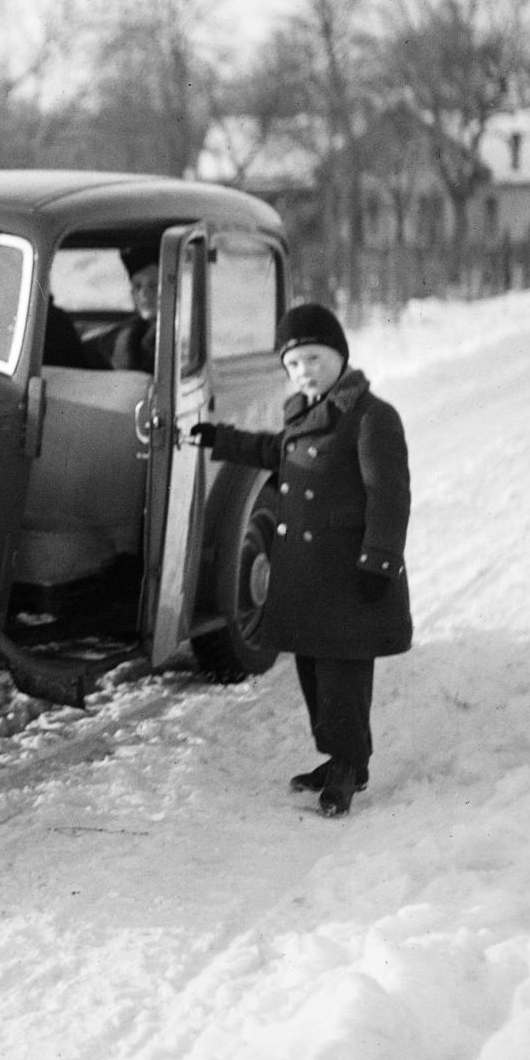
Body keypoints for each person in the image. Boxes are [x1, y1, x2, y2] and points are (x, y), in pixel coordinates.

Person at [194, 302, 412, 817]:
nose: (304, 371)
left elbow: (389, 495)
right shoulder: (303, 412)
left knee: (344, 674)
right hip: (307, 575)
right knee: (313, 670)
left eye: (313, 358)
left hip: (349, 572)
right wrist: (223, 440)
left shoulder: (371, 417)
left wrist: (380, 561)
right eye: (293, 364)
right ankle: (339, 758)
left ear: (339, 356)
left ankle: (348, 767)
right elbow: (279, 453)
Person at [99, 242, 160, 372]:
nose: (143, 294)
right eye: (137, 286)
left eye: (153, 285)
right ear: (132, 293)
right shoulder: (123, 335)